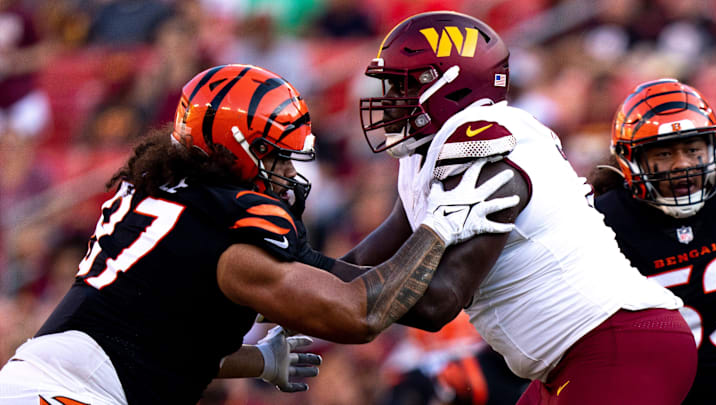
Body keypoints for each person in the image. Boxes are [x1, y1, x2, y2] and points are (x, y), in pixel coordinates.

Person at [0, 63, 519, 405]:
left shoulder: (168, 198)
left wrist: (259, 360)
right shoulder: (228, 231)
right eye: (277, 155)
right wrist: (440, 225)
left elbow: (154, 341)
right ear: (238, 150)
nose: (290, 174)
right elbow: (360, 313)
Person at [338, 11, 698, 405]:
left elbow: (436, 302)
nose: (388, 100)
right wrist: (285, 290)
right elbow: (367, 258)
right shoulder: (427, 154)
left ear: (451, 87)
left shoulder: (489, 150)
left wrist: (318, 293)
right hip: (576, 357)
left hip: (618, 344)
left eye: (401, 86)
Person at [591, 78, 716, 405]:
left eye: (693, 149)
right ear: (630, 161)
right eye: (663, 153)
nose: (682, 166)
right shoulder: (602, 223)